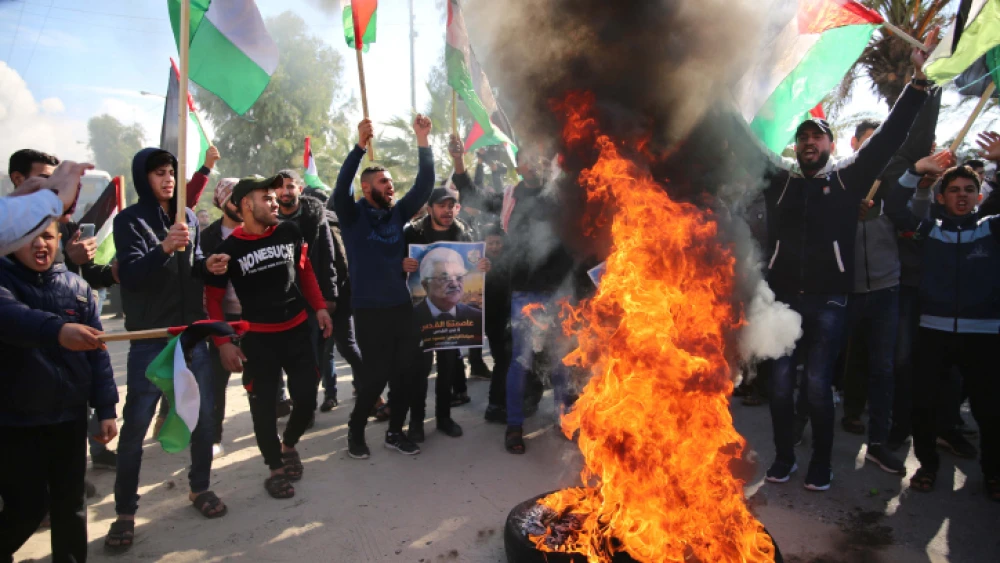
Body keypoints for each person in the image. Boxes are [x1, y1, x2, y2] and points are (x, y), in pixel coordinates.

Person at [726, 46, 931, 491]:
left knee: (818, 386)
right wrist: (717, 93)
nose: (809, 143)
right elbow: (742, 142)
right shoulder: (779, 182)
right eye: (803, 138)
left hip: (830, 303)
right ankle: (784, 457)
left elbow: (890, 137)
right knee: (781, 388)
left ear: (830, 146)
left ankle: (821, 462)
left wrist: (917, 85)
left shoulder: (848, 178)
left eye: (817, 137)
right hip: (782, 302)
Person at [105, 148, 225, 553]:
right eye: (159, 173)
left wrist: (208, 265)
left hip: (190, 336)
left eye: (172, 172)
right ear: (144, 178)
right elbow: (131, 276)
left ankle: (200, 487)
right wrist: (164, 248)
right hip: (150, 338)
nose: (169, 179)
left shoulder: (186, 215)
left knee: (203, 418)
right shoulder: (129, 221)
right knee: (135, 428)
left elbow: (195, 264)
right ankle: (125, 511)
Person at [205, 175, 332, 500]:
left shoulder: (290, 232)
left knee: (306, 398)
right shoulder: (227, 250)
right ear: (247, 204)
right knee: (263, 409)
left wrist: (319, 307)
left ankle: (288, 444)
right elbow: (213, 300)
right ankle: (275, 469)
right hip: (258, 341)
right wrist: (223, 343)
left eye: (275, 197)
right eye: (267, 198)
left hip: (297, 332)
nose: (275, 203)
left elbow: (304, 270)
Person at [0, 220, 118, 563]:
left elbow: (98, 355)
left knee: (71, 504)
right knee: (28, 505)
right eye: (30, 236)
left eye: (48, 236)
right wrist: (58, 331)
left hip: (69, 415)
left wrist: (106, 409)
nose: (41, 244)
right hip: (16, 420)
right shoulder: (4, 282)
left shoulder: (77, 288)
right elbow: (14, 318)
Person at [885, 156, 1000, 502]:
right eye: (953, 190)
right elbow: (894, 206)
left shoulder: (992, 229)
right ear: (940, 197)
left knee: (989, 409)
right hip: (933, 332)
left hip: (984, 335)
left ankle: (993, 473)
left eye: (969, 190)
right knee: (924, 405)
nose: (961, 195)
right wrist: (915, 172)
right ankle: (927, 466)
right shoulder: (930, 231)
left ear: (979, 196)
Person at [452, 143, 576, 455]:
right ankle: (514, 425)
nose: (535, 163)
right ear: (518, 166)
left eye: (539, 158)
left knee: (562, 363)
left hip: (560, 293)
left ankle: (566, 421)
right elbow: (471, 193)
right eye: (527, 159)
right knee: (520, 362)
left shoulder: (563, 195)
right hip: (525, 294)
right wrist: (458, 160)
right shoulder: (510, 197)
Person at [331, 115, 434, 459]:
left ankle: (394, 432)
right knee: (375, 378)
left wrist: (422, 140)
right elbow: (340, 188)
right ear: (366, 188)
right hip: (368, 310)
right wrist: (359, 147)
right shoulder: (351, 216)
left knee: (405, 374)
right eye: (383, 182)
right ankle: (355, 429)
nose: (391, 186)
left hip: (400, 308)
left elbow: (424, 186)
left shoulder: (397, 214)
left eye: (390, 181)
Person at [836, 119, 906, 475]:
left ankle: (878, 443)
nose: (874, 148)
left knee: (883, 368)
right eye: (868, 141)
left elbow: (913, 218)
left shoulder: (893, 186)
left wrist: (920, 186)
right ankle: (800, 432)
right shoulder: (839, 181)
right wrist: (848, 212)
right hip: (845, 291)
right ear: (854, 145)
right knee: (825, 361)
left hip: (884, 290)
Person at [402, 184, 488, 442]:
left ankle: (444, 418)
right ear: (430, 209)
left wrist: (484, 265)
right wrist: (402, 264)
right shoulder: (412, 233)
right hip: (418, 317)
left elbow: (475, 265)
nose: (448, 210)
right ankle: (416, 422)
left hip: (453, 323)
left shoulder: (463, 232)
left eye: (452, 206)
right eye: (442, 205)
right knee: (419, 370)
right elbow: (395, 264)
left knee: (448, 368)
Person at [275, 169, 343, 412]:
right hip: (282, 302)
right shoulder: (268, 220)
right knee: (286, 356)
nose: (285, 192)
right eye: (280, 187)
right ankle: (291, 402)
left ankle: (311, 404)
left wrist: (329, 296)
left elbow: (328, 258)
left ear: (299, 189)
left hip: (314, 300)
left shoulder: (315, 218)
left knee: (316, 355)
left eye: (290, 186)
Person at [199, 178, 242, 458]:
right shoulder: (207, 238)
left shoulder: (260, 230)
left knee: (262, 378)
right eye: (236, 199)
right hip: (220, 316)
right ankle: (213, 437)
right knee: (217, 381)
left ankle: (266, 430)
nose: (242, 204)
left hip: (254, 316)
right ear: (223, 203)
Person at [0, 159, 94, 256]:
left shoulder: (66, 226)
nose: (40, 244)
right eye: (47, 178)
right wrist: (54, 202)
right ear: (18, 179)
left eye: (47, 237)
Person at [483, 223, 512, 424]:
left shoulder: (510, 259)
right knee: (502, 361)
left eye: (497, 243)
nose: (494, 247)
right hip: (493, 321)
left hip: (510, 318)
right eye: (490, 243)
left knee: (508, 362)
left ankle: (504, 401)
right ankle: (494, 405)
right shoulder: (479, 263)